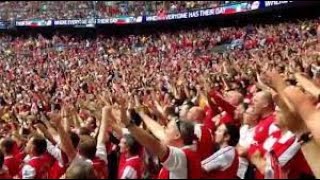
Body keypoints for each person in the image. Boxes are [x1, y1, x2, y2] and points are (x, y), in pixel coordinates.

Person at [119, 104, 203, 179]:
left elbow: (154, 144)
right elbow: (158, 130)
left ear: (177, 136)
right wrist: (141, 113)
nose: (164, 129)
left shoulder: (181, 156)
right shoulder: (186, 149)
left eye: (167, 128)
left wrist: (128, 124)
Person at [236, 107, 260, 179]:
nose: (243, 115)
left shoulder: (257, 131)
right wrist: (241, 149)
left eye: (247, 113)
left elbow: (243, 152)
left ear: (255, 117)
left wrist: (241, 150)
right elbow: (238, 146)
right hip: (237, 166)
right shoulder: (243, 128)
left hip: (249, 169)